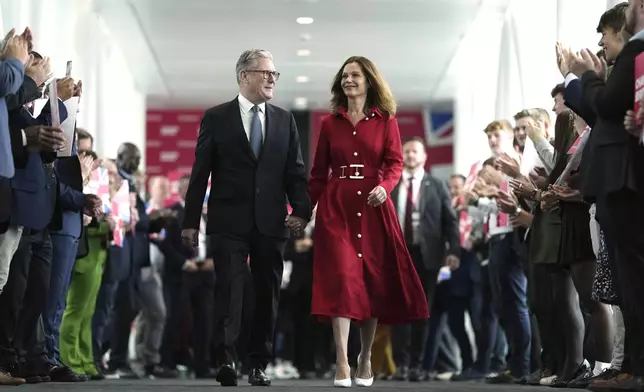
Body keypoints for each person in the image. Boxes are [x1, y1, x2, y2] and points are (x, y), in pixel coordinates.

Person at [180, 49, 312, 387]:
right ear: (243, 76)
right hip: (228, 222)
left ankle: (258, 364)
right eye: (265, 72)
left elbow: (295, 173)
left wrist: (300, 211)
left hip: (271, 223)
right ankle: (226, 359)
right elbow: (200, 173)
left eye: (274, 74)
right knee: (230, 289)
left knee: (267, 293)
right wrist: (191, 222)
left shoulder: (285, 120)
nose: (271, 78)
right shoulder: (216, 117)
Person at [308, 56, 429, 388]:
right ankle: (342, 361)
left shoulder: (386, 120)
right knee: (343, 279)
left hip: (375, 206)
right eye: (344, 75)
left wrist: (385, 188)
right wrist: (302, 211)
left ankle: (365, 358)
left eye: (355, 75)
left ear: (369, 81)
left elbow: (394, 163)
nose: (349, 80)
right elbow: (318, 174)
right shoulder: (330, 123)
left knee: (371, 281)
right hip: (337, 207)